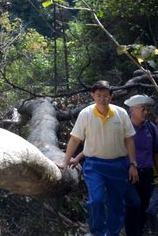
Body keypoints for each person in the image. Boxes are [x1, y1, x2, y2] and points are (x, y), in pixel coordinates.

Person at [59, 80, 138, 236]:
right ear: (92, 95)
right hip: (95, 166)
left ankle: (113, 232)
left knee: (116, 204)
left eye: (106, 96)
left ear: (111, 96)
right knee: (96, 201)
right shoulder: (86, 114)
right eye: (99, 95)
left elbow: (129, 139)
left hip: (118, 165)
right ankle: (97, 232)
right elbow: (75, 139)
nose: (102, 99)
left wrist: (133, 164)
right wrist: (65, 162)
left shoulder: (120, 113)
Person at [123, 94, 158, 236]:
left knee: (143, 208)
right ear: (132, 110)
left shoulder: (151, 128)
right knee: (133, 204)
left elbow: (157, 154)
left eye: (147, 109)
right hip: (127, 174)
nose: (146, 112)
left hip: (146, 174)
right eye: (143, 109)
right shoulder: (123, 127)